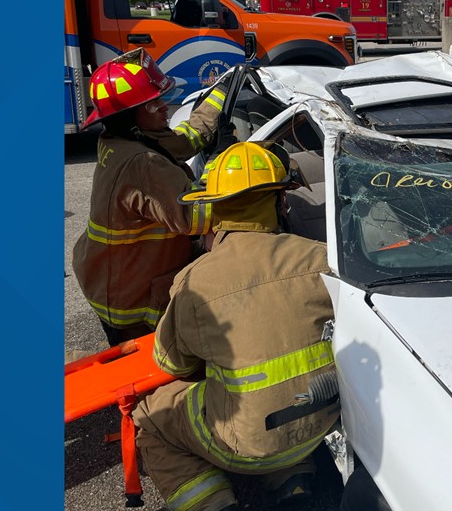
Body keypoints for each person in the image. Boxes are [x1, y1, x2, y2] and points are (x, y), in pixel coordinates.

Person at [134, 142, 338, 511]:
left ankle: (213, 503)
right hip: (320, 428)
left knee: (151, 416)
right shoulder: (321, 258)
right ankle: (292, 483)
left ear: (211, 207)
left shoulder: (196, 282)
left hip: (249, 447)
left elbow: (172, 365)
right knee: (284, 382)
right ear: (280, 202)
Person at [72, 48, 233, 346]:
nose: (163, 107)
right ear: (128, 116)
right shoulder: (141, 162)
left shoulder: (122, 138)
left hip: (109, 275)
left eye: (160, 98)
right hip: (130, 303)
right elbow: (197, 215)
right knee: (149, 372)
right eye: (151, 104)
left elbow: (185, 141)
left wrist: (222, 91)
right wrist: (223, 163)